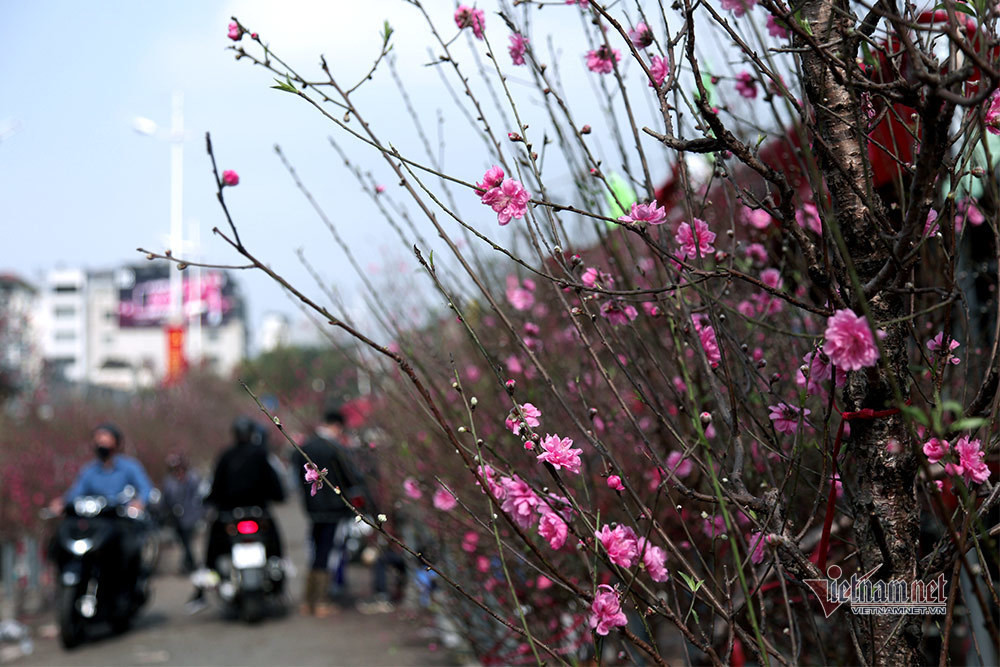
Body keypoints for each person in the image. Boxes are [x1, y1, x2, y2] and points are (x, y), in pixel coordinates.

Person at [52, 423, 154, 616]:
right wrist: (62, 503)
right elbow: (75, 493)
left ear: (116, 443)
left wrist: (139, 502)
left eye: (106, 440)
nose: (101, 444)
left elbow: (145, 490)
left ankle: (125, 591)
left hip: (120, 523)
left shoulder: (129, 467)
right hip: (96, 524)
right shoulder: (89, 471)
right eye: (98, 440)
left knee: (128, 550)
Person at [190, 417, 286, 611]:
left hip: (230, 514)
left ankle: (205, 582)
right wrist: (279, 496)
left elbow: (215, 487)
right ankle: (278, 572)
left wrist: (211, 500)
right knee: (275, 544)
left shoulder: (226, 456)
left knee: (213, 547)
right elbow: (275, 486)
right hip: (256, 513)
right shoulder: (261, 455)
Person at [291, 405, 368, 617]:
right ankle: (321, 601)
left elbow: (299, 477)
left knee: (316, 550)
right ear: (337, 426)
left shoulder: (306, 446)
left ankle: (308, 600)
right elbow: (351, 477)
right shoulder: (334, 448)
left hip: (313, 508)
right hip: (333, 509)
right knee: (327, 552)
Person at [160, 453, 204, 574]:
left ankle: (190, 563)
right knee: (184, 542)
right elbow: (165, 500)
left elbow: (200, 495)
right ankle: (190, 563)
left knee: (188, 541)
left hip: (192, 516)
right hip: (176, 518)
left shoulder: (193, 478)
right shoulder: (169, 482)